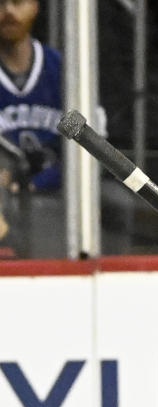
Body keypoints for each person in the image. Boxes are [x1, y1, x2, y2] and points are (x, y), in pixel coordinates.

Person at [0, 0, 62, 258]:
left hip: (57, 190)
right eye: (1, 4)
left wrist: (39, 182)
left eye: (17, 2)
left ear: (36, 5)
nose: (9, 12)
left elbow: (92, 154)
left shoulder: (65, 70)